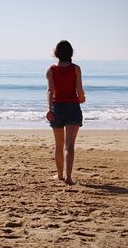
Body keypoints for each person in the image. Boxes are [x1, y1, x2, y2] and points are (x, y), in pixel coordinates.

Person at [46, 40, 85, 185]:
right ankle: (69, 177)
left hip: (57, 107)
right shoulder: (76, 69)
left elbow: (50, 91)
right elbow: (79, 90)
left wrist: (49, 109)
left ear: (56, 53)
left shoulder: (51, 70)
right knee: (69, 146)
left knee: (58, 145)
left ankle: (59, 175)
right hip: (72, 108)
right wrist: (81, 98)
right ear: (71, 53)